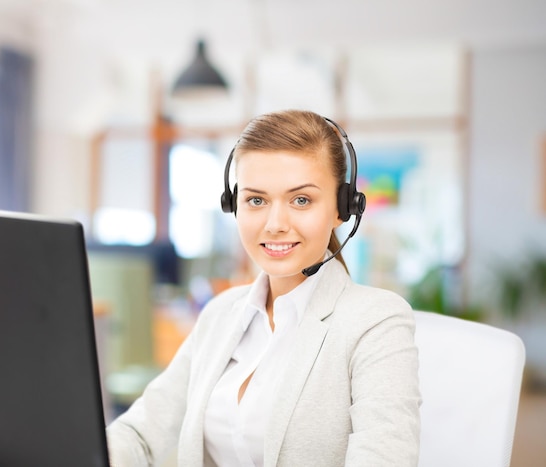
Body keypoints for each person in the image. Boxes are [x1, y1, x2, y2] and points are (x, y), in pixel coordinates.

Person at [106, 109, 421, 466]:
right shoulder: (221, 313)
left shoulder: (376, 321)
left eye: (301, 200)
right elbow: (141, 434)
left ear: (341, 209)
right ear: (233, 205)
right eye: (256, 200)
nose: (275, 224)